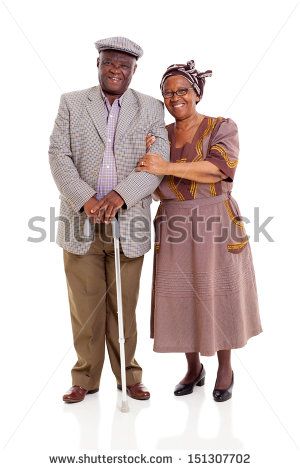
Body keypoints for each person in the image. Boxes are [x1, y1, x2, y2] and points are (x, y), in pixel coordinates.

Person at [49, 37, 169, 403]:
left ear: (134, 71)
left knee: (124, 306)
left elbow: (158, 161)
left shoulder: (150, 108)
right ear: (98, 63)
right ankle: (84, 377)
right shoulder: (72, 103)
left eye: (124, 66)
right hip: (80, 221)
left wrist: (120, 196)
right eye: (109, 63)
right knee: (85, 306)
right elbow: (58, 155)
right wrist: (87, 200)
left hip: (128, 222)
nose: (116, 70)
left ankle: (129, 377)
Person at [136, 60, 262, 402]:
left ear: (196, 93)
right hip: (173, 222)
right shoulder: (158, 134)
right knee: (179, 296)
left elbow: (218, 170)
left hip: (215, 220)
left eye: (182, 90)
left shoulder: (222, 127)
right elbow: (146, 177)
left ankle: (224, 368)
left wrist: (165, 166)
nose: (175, 97)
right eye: (168, 92)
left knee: (217, 294)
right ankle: (193, 367)